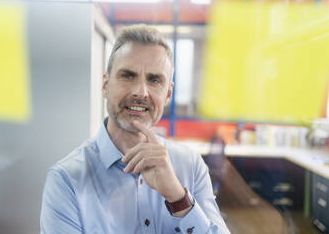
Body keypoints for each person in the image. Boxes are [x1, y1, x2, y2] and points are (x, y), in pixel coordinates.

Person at [40, 24, 230, 234]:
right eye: (128, 76)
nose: (141, 92)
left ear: (168, 94)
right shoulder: (67, 179)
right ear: (105, 85)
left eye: (154, 79)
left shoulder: (190, 166)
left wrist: (179, 198)